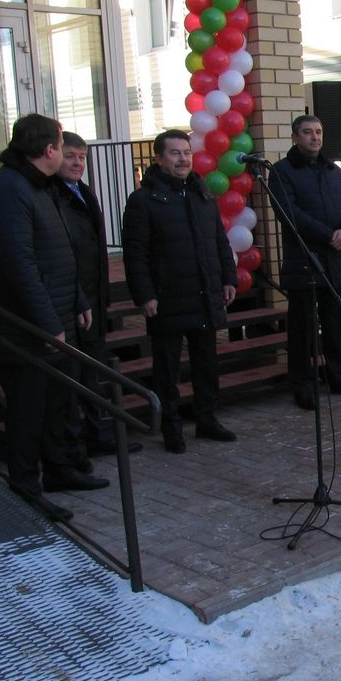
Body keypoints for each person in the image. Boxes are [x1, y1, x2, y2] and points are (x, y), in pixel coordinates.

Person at [0, 113, 108, 523]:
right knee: (27, 414)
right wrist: (49, 322)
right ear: (49, 150)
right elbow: (19, 264)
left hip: (59, 317)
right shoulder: (8, 190)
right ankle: (26, 489)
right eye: (60, 145)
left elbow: (64, 251)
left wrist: (80, 299)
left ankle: (60, 471)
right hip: (28, 331)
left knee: (59, 406)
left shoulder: (42, 187)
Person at [122, 129, 238, 454]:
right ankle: (171, 427)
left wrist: (228, 278)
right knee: (167, 369)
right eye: (175, 153)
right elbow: (136, 254)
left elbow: (219, 241)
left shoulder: (202, 194)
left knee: (206, 364)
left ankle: (207, 420)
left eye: (186, 152)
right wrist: (145, 294)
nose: (183, 159)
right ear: (158, 159)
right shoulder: (144, 201)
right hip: (167, 298)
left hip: (203, 294)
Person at [268, 115, 341, 408]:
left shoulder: (331, 171)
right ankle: (303, 385)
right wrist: (329, 234)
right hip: (304, 260)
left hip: (334, 260)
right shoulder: (281, 171)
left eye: (318, 132)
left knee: (337, 322)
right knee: (302, 328)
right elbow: (290, 214)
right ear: (294, 137)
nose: (314, 137)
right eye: (307, 132)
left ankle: (339, 377)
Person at [54, 132, 141, 459]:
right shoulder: (54, 195)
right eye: (70, 156)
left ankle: (99, 434)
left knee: (95, 373)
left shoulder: (83, 192)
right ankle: (74, 446)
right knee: (73, 379)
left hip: (93, 298)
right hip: (72, 302)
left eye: (82, 157)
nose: (77, 163)